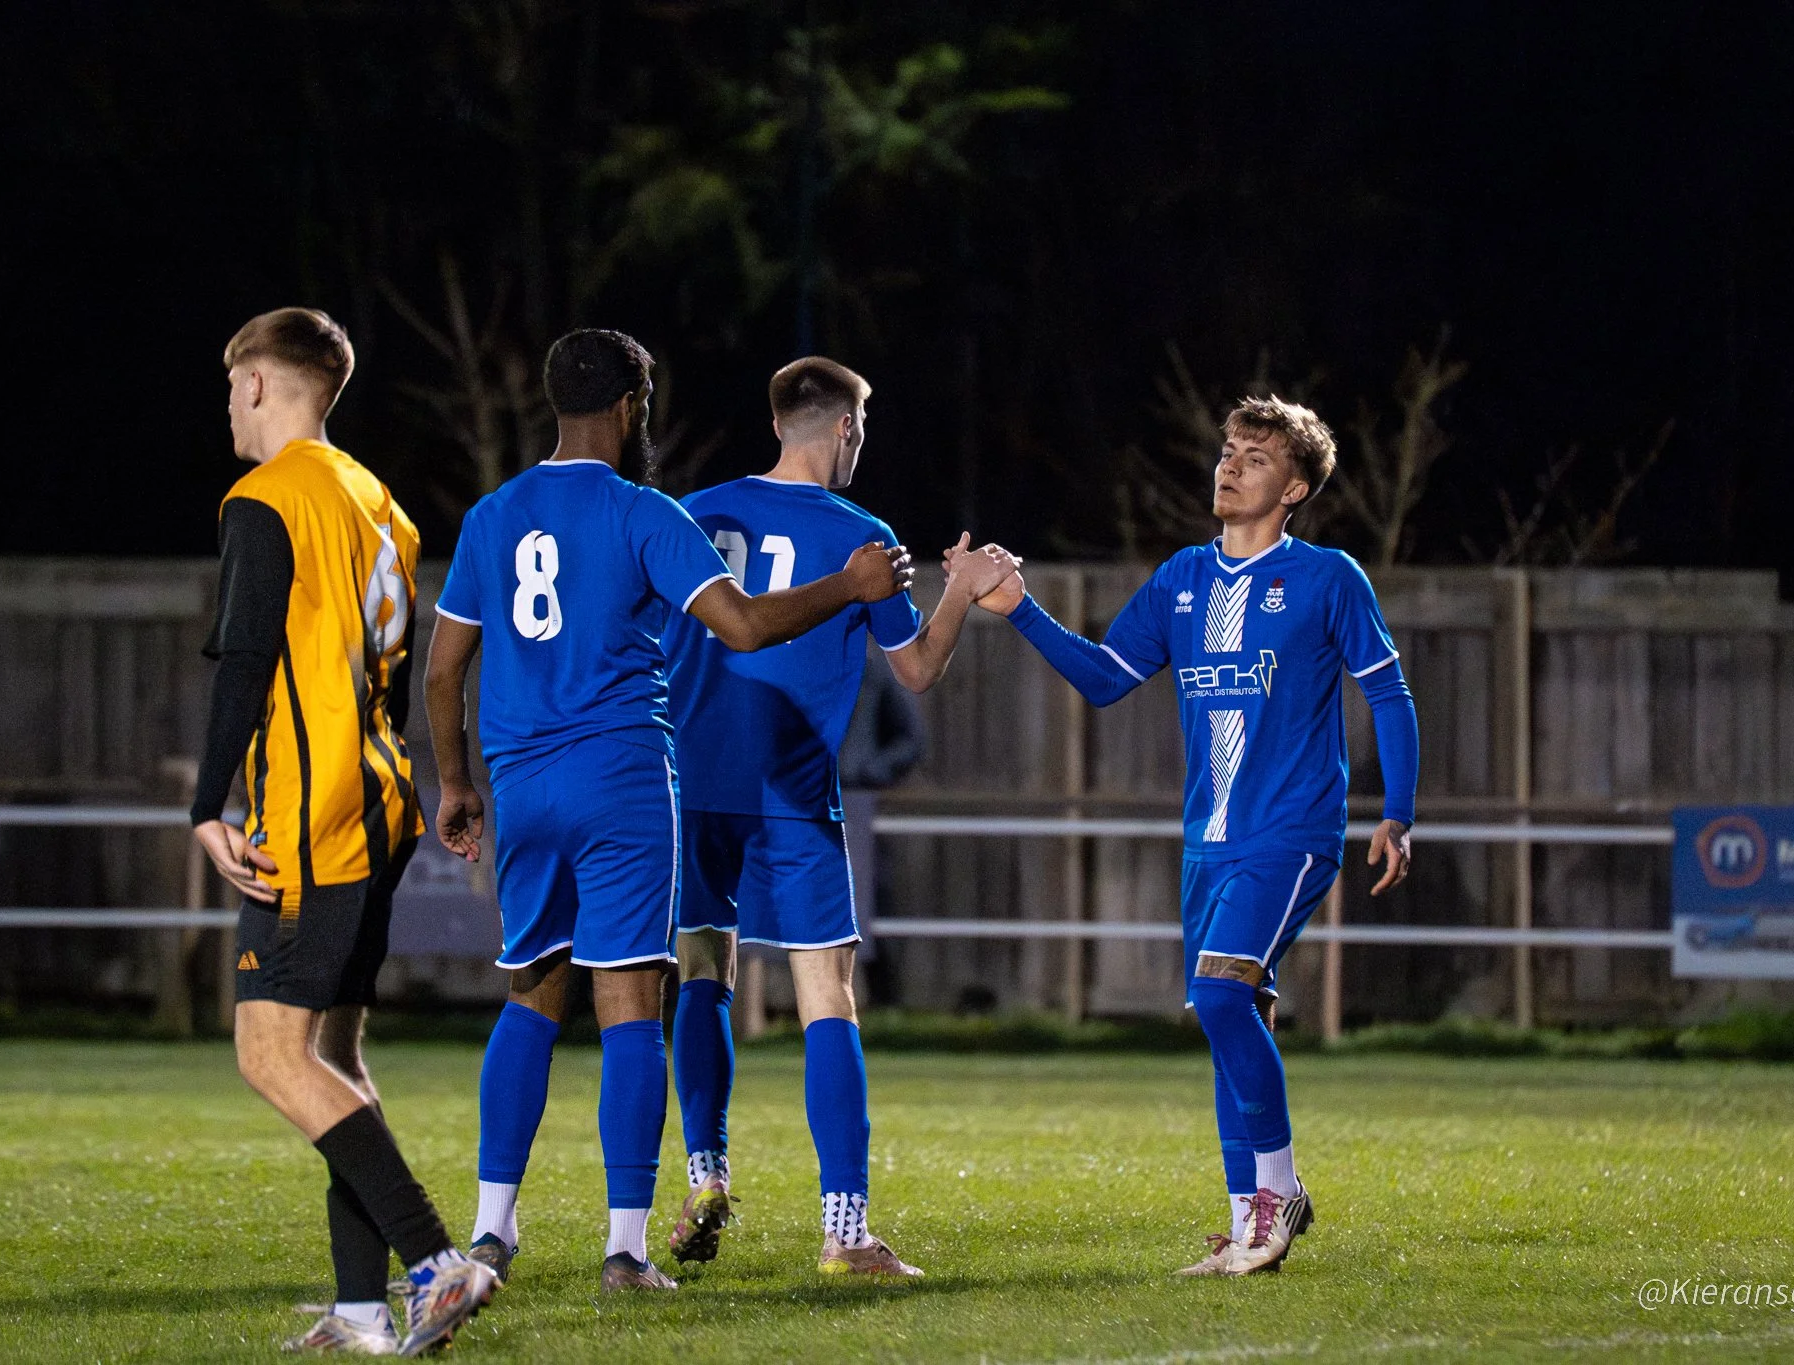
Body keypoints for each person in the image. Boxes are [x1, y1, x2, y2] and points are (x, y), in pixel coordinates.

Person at [422, 330, 914, 1294]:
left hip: (521, 781)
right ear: (630, 408)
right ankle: (625, 1248)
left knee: (529, 991)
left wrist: (456, 784)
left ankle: (491, 1231)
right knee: (630, 1005)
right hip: (625, 780)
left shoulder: (491, 515)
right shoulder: (644, 512)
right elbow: (742, 623)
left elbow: (444, 669)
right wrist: (850, 585)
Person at [960, 396, 1418, 1277]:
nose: (1232, 464)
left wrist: (1398, 811)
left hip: (1291, 833)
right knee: (1229, 1017)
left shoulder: (1327, 577)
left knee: (1217, 998)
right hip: (1206, 843)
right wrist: (1020, 607)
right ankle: (1250, 1225)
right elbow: (1103, 678)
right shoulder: (1180, 578)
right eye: (1229, 450)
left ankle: (1280, 1193)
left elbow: (1387, 693)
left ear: (1295, 488)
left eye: (1255, 456)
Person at [658, 356, 1017, 1277]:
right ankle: (846, 1232)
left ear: (779, 421)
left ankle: (705, 1176)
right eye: (864, 427)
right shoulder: (863, 538)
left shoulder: (694, 514)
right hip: (789, 792)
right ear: (846, 428)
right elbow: (918, 669)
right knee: (828, 998)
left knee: (702, 974)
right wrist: (961, 592)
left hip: (691, 783)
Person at [190, 307, 495, 1355]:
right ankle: (364, 1310)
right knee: (332, 1053)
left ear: (266, 386)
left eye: (235, 385)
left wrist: (205, 805)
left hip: (309, 815)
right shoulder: (380, 505)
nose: (229, 404)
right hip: (379, 794)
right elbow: (393, 674)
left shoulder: (265, 499)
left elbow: (243, 667)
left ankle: (435, 1261)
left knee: (269, 1054)